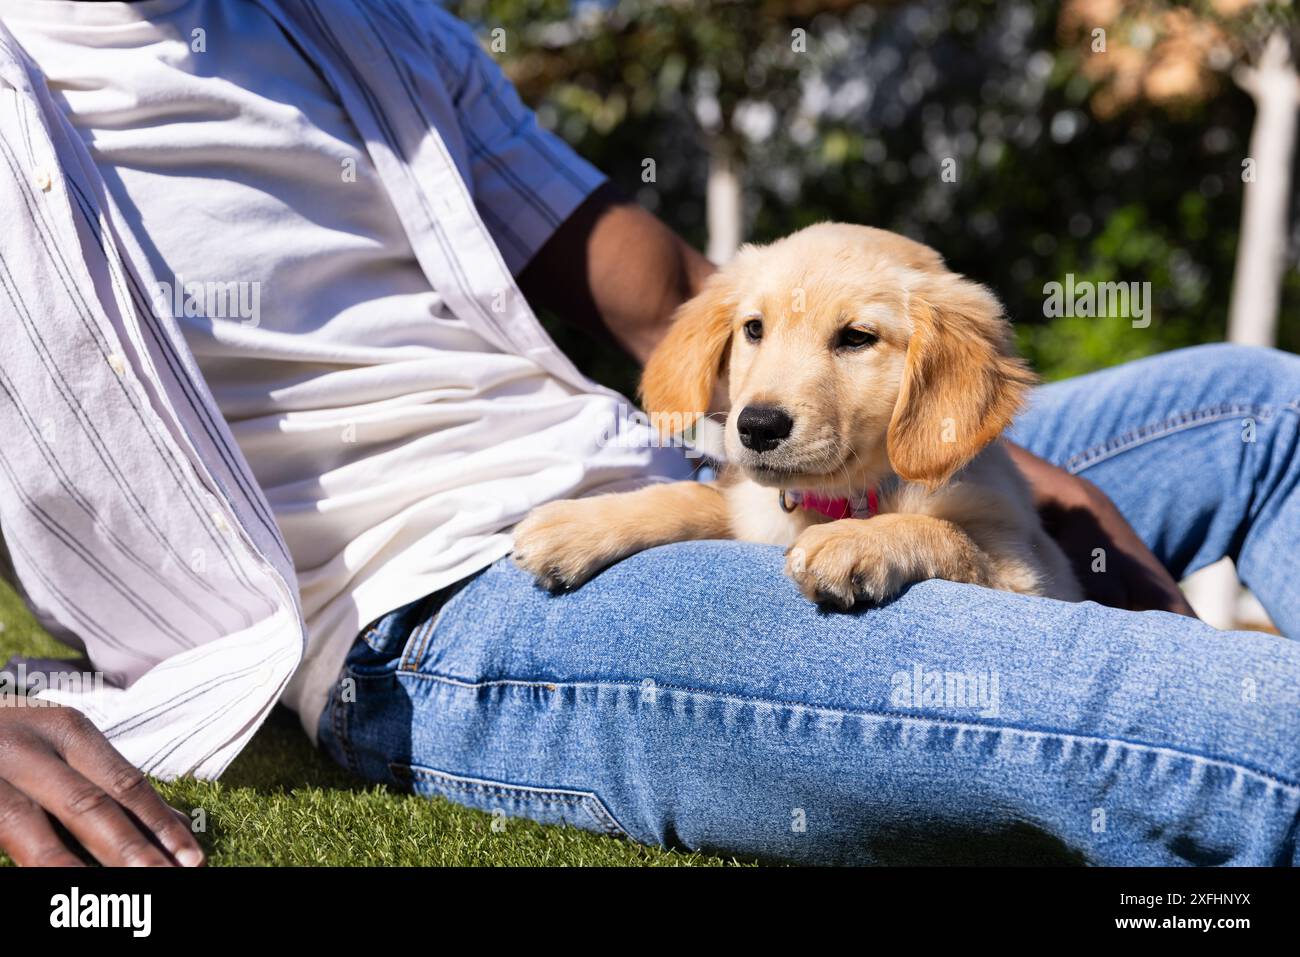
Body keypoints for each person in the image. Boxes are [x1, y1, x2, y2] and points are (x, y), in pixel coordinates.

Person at [0, 0, 1294, 867]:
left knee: (1260, 410)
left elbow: (689, 301)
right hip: (458, 609)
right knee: (1131, 701)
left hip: (713, 472)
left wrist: (964, 448)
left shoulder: (355, 24)